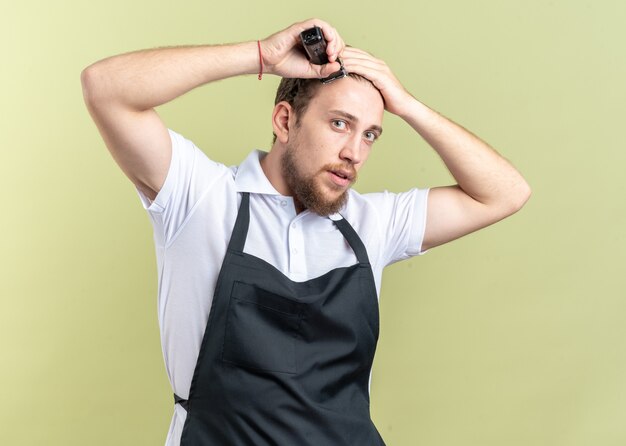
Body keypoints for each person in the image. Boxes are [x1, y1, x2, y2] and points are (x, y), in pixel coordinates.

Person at [81, 18, 530, 446]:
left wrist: (404, 102)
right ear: (284, 121)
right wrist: (261, 56)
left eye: (371, 134)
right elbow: (106, 88)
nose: (355, 153)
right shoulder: (200, 198)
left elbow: (505, 192)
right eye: (340, 124)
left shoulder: (373, 224)